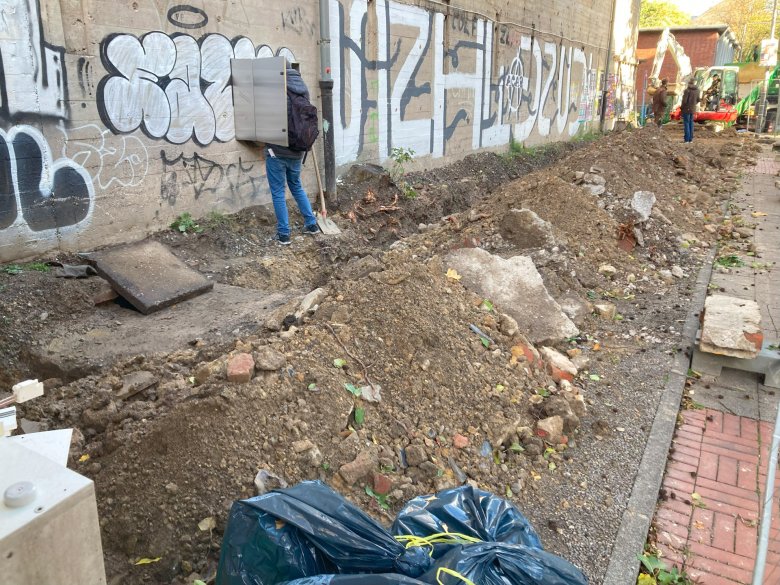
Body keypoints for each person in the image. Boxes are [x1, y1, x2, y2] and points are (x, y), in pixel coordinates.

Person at [265, 64, 319, 245]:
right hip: (297, 151)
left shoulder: (278, 91)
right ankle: (311, 224)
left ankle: (284, 234)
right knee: (296, 186)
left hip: (277, 151)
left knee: (278, 192)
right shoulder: (303, 91)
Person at [681, 78, 699, 143]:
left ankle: (686, 139)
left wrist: (682, 108)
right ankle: (691, 139)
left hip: (686, 109)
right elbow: (698, 99)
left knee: (686, 123)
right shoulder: (697, 90)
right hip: (693, 109)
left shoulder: (687, 90)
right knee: (691, 123)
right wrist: (693, 104)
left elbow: (684, 101)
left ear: (689, 83)